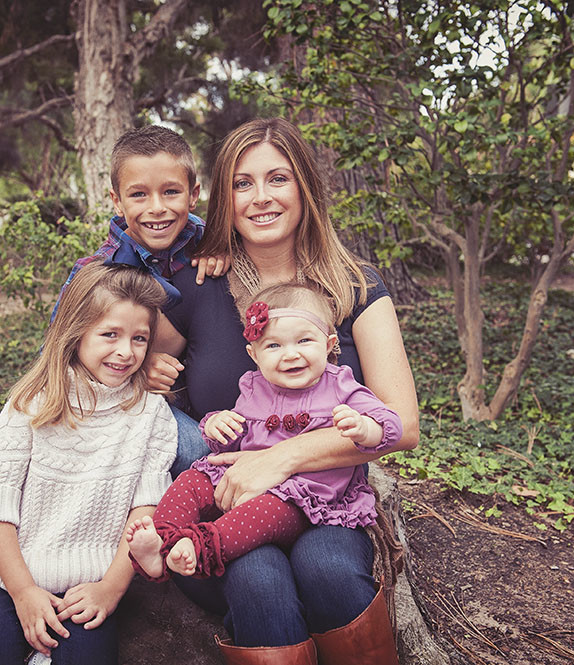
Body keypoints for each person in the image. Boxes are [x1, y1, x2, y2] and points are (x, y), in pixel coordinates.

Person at [146, 117, 420, 664]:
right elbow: (118, 358)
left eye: (278, 179)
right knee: (257, 577)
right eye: (242, 184)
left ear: (305, 189)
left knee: (328, 570)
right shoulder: (201, 285)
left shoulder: (355, 286)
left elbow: (403, 424)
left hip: (325, 500)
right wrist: (151, 364)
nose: (261, 197)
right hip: (223, 507)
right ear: (224, 197)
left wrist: (277, 460)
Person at [0, 261, 178, 665]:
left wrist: (110, 589)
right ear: (76, 333)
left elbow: (143, 514)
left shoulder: (151, 415)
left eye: (139, 338)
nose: (126, 351)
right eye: (109, 334)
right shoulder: (34, 400)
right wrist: (23, 592)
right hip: (4, 576)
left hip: (87, 585)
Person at [126, 284, 402, 583]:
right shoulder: (254, 387)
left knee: (263, 511)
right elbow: (236, 439)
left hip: (305, 498)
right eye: (274, 346)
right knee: (191, 481)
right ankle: (162, 542)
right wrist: (218, 426)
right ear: (254, 354)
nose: (290, 354)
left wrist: (365, 428)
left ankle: (201, 547)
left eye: (304, 340)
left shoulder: (341, 385)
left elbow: (392, 425)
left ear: (328, 343)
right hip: (250, 478)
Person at [50, 124, 226, 323]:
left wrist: (221, 249)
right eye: (138, 194)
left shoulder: (208, 240)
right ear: (117, 202)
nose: (157, 208)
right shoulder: (93, 275)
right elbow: (55, 347)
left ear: (193, 195)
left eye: (170, 192)